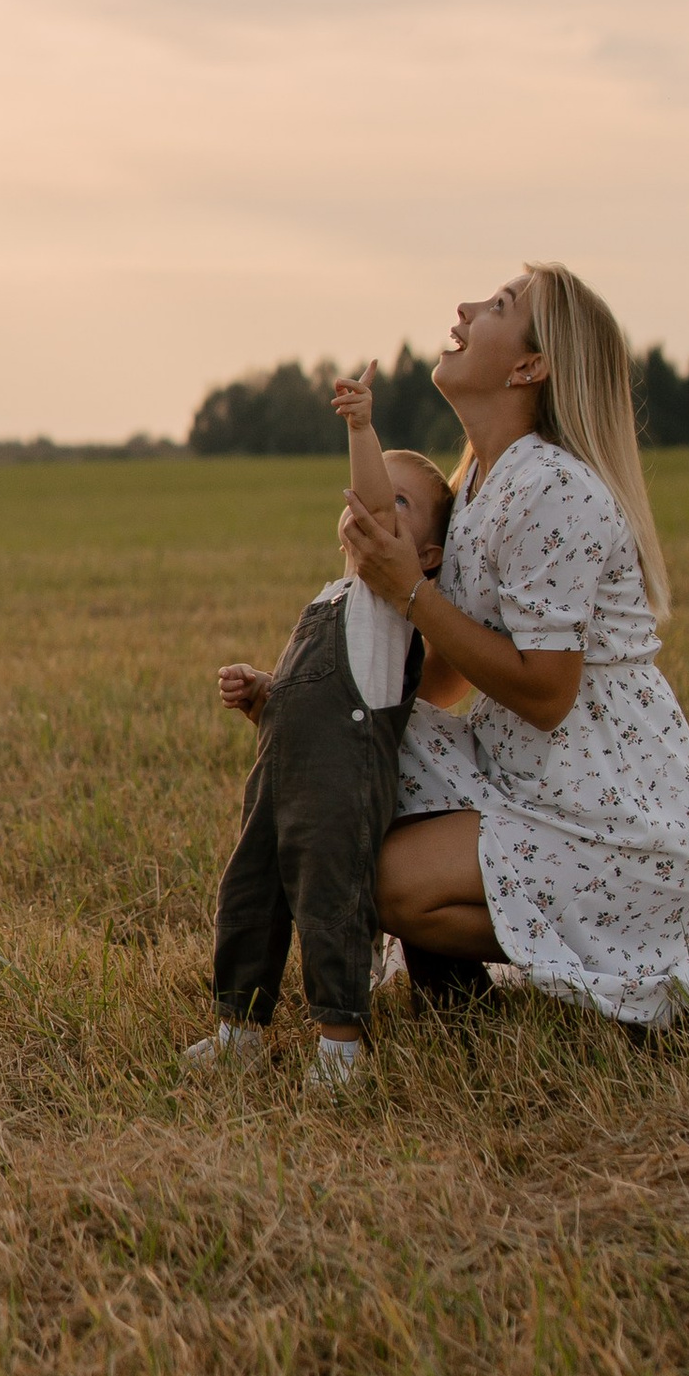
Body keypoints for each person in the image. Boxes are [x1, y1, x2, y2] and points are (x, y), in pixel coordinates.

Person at [342, 265, 689, 1032]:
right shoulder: (481, 479)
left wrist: (411, 592)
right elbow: (451, 682)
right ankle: (468, 1000)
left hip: (612, 813)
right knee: (357, 777)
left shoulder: (553, 488)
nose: (465, 308)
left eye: (498, 306)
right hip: (532, 779)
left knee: (390, 885)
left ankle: (625, 963)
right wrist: (319, 694)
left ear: (529, 367)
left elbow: (547, 695)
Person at [183, 374, 458, 1092]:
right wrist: (262, 695)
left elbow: (367, 503)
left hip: (342, 789)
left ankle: (341, 1044)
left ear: (424, 557)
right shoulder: (331, 597)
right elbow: (311, 694)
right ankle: (238, 1028)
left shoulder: (387, 603)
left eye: (399, 504)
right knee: (249, 899)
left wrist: (361, 428)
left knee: (333, 906)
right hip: (279, 779)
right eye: (373, 493)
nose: (368, 504)